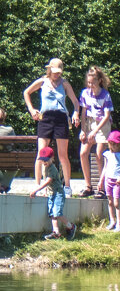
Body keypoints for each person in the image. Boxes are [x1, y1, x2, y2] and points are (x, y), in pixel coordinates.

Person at [23, 58, 80, 192]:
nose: (56, 74)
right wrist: (32, 109)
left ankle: (67, 186)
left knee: (62, 154)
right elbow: (26, 92)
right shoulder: (43, 81)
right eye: (54, 72)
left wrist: (76, 113)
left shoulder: (65, 83)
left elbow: (75, 102)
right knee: (41, 153)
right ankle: (39, 185)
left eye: (58, 72)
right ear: (49, 69)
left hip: (60, 118)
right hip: (45, 117)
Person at [76, 66, 115, 197]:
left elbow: (106, 116)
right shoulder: (85, 93)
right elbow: (83, 113)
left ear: (99, 81)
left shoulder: (105, 95)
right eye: (88, 82)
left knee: (99, 154)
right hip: (89, 123)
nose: (90, 85)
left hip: (102, 125)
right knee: (83, 153)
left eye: (92, 82)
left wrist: (95, 131)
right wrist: (83, 130)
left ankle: (102, 187)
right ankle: (88, 186)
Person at [28, 146, 77, 240]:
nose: (44, 162)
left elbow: (48, 181)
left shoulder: (53, 169)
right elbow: (47, 182)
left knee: (57, 213)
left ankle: (71, 227)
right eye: (42, 160)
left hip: (58, 194)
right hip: (51, 194)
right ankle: (56, 232)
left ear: (52, 158)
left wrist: (36, 190)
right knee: (52, 214)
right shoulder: (45, 168)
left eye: (46, 160)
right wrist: (46, 191)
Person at [100, 130, 120, 232]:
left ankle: (119, 224)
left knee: (116, 203)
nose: (113, 146)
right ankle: (112, 221)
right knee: (110, 201)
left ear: (119, 144)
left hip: (117, 181)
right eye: (111, 144)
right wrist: (101, 181)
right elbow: (105, 168)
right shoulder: (107, 154)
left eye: (115, 144)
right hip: (108, 180)